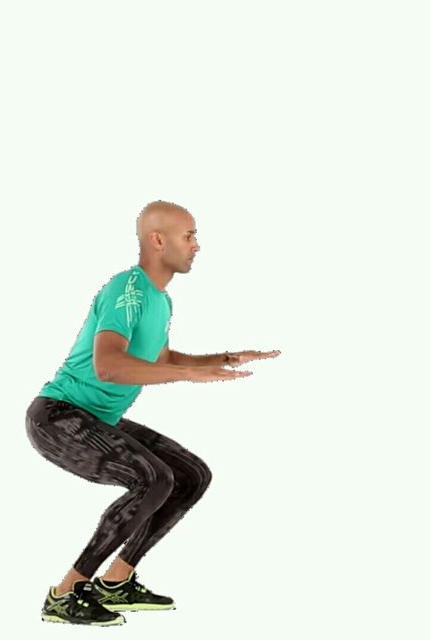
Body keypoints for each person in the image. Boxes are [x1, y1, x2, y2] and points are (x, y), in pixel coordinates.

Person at [25, 200, 280, 626]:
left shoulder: (160, 300)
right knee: (153, 478)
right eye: (189, 236)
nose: (196, 245)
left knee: (191, 475)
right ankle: (66, 593)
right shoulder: (127, 289)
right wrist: (188, 376)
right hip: (57, 417)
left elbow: (161, 358)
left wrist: (224, 358)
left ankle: (116, 581)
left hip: (95, 418)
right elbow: (109, 365)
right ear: (158, 240)